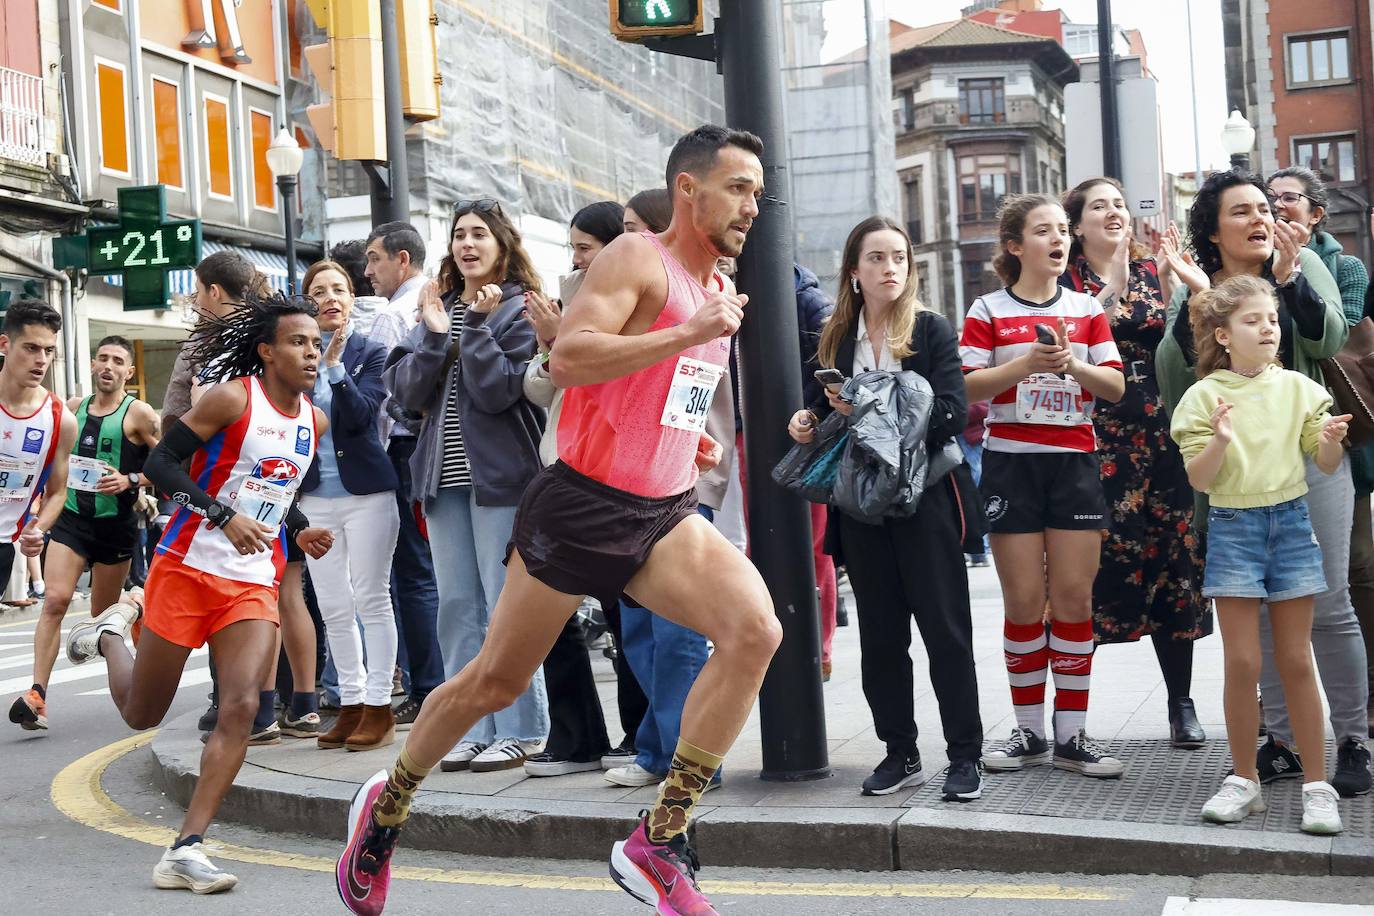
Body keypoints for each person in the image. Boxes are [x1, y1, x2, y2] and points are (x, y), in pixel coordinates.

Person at [336, 125, 781, 916]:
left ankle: (659, 838)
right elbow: (570, 360)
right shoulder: (637, 259)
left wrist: (692, 439)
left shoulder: (718, 292)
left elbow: (654, 393)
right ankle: (389, 807)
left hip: (662, 512)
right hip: (577, 508)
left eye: (756, 189)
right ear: (689, 189)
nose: (754, 203)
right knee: (493, 681)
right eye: (739, 187)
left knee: (755, 631)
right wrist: (687, 332)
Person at [67, 292, 333, 892]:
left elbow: (273, 493)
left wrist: (299, 528)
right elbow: (162, 465)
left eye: (316, 343)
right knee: (143, 712)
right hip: (187, 567)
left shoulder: (314, 420)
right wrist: (219, 515)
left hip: (251, 582)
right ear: (267, 351)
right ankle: (111, 632)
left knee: (241, 706)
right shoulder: (234, 396)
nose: (311, 353)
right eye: (298, 342)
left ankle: (186, 847)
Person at [1157, 170, 1371, 797]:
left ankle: (1352, 738)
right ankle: (1280, 741)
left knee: (1327, 603)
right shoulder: (1200, 289)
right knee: (1271, 618)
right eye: (1241, 211)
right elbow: (1175, 373)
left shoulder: (1298, 264)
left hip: (1310, 450)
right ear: (1214, 231)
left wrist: (1286, 276)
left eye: (1263, 207)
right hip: (1241, 472)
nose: (1259, 218)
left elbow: (1327, 334)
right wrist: (1199, 299)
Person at [788, 217, 985, 800]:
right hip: (862, 502)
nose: (889, 268)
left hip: (927, 499)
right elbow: (818, 414)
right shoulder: (832, 341)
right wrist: (806, 424)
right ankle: (899, 751)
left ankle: (965, 756)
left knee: (946, 633)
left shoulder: (931, 330)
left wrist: (866, 413)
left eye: (898, 257)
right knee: (879, 636)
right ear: (854, 271)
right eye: (876, 258)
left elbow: (953, 413)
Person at [1171, 274, 1348, 834]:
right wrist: (1220, 439)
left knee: (1296, 659)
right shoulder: (1201, 397)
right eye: (1253, 320)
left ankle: (1319, 787)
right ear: (1222, 334)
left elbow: (1320, 462)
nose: (1268, 327)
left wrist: (1328, 442)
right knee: (1242, 662)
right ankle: (1244, 779)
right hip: (1233, 525)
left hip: (1292, 521)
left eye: (1271, 319)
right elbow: (1200, 479)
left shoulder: (1299, 387)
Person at [960, 193, 1127, 779]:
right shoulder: (986, 309)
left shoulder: (1086, 309)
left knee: (1076, 600)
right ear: (1014, 245)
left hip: (1074, 466)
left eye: (1062, 231)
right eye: (1042, 231)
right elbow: (967, 387)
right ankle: (1028, 732)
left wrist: (1073, 367)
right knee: (1025, 602)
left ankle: (1072, 734)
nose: (1058, 240)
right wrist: (1025, 364)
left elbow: (1115, 387)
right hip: (1011, 466)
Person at [385, 198, 549, 774]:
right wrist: (435, 334)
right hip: (440, 480)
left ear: (503, 244)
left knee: (505, 606)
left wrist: (475, 328)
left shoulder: (520, 308)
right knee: (456, 606)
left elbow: (500, 391)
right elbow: (404, 394)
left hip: (501, 480)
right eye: (459, 235)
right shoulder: (437, 305)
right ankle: (470, 727)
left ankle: (522, 727)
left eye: (480, 233)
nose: (467, 244)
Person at [1061, 177, 1211, 748]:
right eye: (1099, 206)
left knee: (1173, 563)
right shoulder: (1066, 283)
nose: (1114, 213)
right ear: (1078, 225)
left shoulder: (1154, 272)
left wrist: (1185, 293)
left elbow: (1187, 344)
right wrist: (1110, 288)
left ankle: (1181, 703)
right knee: (1091, 568)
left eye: (1120, 204)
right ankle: (1070, 717)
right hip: (1095, 438)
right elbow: (1068, 341)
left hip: (1162, 433)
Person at [521, 200, 647, 777]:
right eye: (572, 247)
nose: (576, 258)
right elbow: (538, 387)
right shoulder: (567, 298)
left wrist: (561, 343)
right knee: (551, 616)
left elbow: (618, 384)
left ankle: (638, 736)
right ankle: (577, 739)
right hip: (562, 466)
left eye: (585, 246)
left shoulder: (631, 293)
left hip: (617, 477)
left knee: (628, 621)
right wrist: (552, 344)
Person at [1269, 168, 1374, 742]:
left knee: (1350, 572)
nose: (1278, 207)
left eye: (1289, 198)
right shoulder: (1244, 265)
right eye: (1271, 197)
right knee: (1270, 597)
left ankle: (1357, 718)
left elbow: (1339, 333)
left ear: (1315, 212)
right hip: (1261, 454)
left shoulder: (1337, 264)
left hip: (1335, 428)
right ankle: (1278, 727)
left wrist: (1295, 275)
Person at [10, 335, 158, 732]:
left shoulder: (139, 414)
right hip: (73, 521)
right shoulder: (73, 410)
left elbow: (168, 464)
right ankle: (37, 696)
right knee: (55, 601)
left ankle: (135, 603)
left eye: (118, 361)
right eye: (103, 359)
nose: (108, 366)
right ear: (93, 365)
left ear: (129, 371)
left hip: (115, 529)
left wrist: (131, 479)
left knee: (100, 618)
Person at [163, 251, 271, 733]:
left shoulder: (207, 344)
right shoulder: (271, 332)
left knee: (221, 585)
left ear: (211, 290)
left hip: (221, 484)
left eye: (197, 292)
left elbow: (173, 415)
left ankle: (233, 699)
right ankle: (263, 703)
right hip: (272, 477)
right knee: (265, 594)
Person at [300, 260, 401, 751]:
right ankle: (352, 704)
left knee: (371, 597)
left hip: (367, 495)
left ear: (351, 296)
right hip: (314, 499)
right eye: (319, 291)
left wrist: (335, 368)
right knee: (334, 607)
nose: (330, 298)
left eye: (339, 288)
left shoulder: (371, 352)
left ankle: (380, 706)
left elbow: (362, 417)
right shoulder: (293, 357)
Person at [362, 222, 443, 730]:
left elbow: (387, 403)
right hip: (423, 451)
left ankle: (427, 686)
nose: (368, 271)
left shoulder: (395, 316)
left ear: (403, 260)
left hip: (405, 452)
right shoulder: (428, 302)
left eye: (375, 260)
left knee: (412, 574)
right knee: (423, 571)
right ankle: (432, 683)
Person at [0, 298, 75, 614]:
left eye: (48, 351)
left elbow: (57, 492)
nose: (41, 360)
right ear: (5, 344)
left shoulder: (60, 419)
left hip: (3, 545)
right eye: (30, 348)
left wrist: (38, 527)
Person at [793, 262, 840, 679]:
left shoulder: (808, 300)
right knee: (757, 546)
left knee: (815, 547)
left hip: (808, 436)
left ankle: (820, 647)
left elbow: (827, 371)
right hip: (744, 433)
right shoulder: (721, 289)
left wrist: (810, 414)